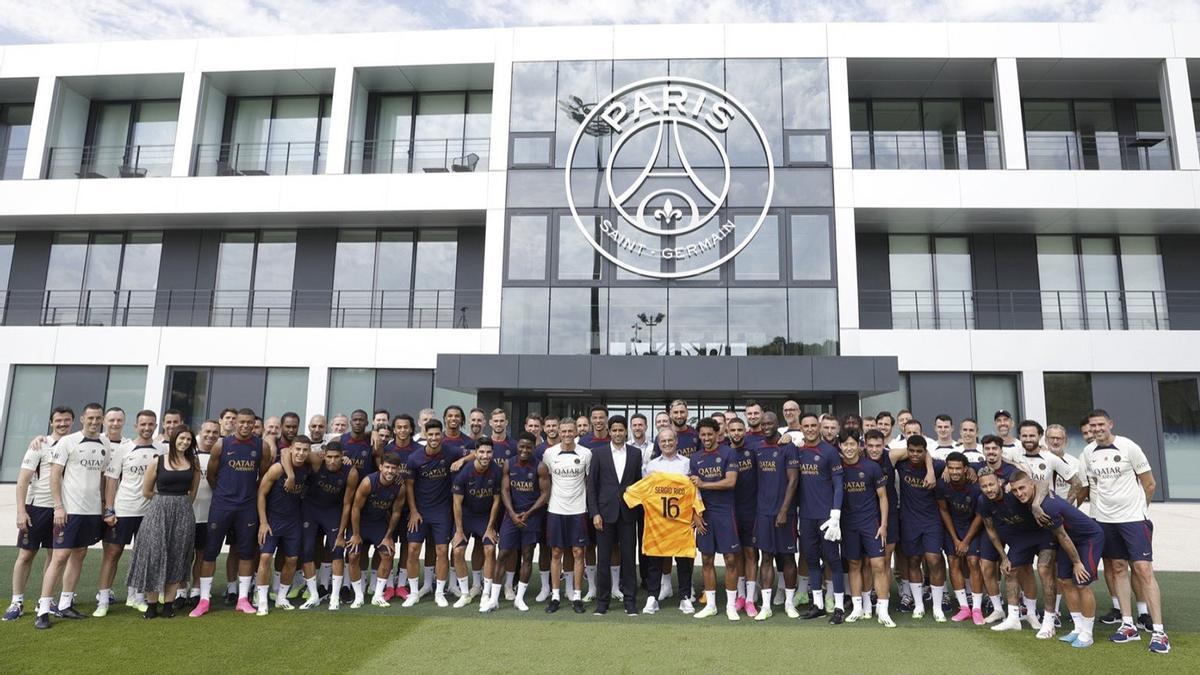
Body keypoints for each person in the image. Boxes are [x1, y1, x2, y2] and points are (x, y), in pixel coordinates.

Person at [1072, 409, 1168, 654]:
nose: (1097, 429)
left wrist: (1139, 512)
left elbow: (1150, 484)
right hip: (1104, 521)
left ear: (1110, 424)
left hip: (1134, 520)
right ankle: (1128, 625)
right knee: (1116, 569)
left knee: (1143, 570)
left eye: (1101, 424)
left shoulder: (1128, 447)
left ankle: (1159, 631)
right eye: (1092, 426)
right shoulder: (1087, 453)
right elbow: (1085, 487)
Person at [190, 408, 275, 618]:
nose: (245, 426)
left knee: (246, 552)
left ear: (254, 425)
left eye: (250, 423)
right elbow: (211, 475)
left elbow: (263, 477)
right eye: (242, 422)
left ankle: (243, 599)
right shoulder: (222, 444)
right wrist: (225, 492)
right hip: (222, 506)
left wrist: (247, 494)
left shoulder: (261, 446)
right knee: (210, 552)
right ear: (235, 423)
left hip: (247, 507)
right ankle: (204, 600)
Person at [35, 403, 113, 630]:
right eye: (90, 417)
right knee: (59, 557)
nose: (94, 421)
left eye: (98, 418)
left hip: (91, 512)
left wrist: (103, 507)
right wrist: (58, 506)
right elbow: (54, 475)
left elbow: (102, 478)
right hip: (69, 510)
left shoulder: (105, 443)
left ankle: (66, 603)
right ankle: (43, 609)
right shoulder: (68, 441)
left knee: (80, 553)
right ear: (82, 418)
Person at [1010, 472, 1104, 648]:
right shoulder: (1036, 493)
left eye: (1022, 488)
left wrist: (1077, 562)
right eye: (1015, 490)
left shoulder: (1048, 506)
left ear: (1031, 485)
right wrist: (1034, 504)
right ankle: (1077, 628)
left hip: (1088, 538)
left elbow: (1062, 535)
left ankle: (1088, 633)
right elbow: (1042, 481)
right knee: (1064, 581)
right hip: (1068, 540)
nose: (1019, 493)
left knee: (1082, 583)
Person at [6, 406, 74, 623]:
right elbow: (23, 480)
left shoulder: (74, 443)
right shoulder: (39, 445)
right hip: (37, 509)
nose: (63, 424)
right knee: (26, 555)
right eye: (58, 421)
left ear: (73, 422)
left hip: (62, 508)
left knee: (54, 556)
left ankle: (45, 601)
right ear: (51, 422)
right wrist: (21, 511)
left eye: (66, 420)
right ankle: (16, 601)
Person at [95, 409, 165, 617]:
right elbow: (111, 480)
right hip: (124, 509)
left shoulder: (162, 449)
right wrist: (109, 509)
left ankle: (137, 597)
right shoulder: (124, 449)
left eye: (150, 424)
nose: (146, 428)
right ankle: (104, 599)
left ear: (155, 426)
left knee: (144, 556)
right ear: (136, 426)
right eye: (142, 424)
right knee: (112, 554)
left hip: (150, 512)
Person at [126, 428, 200, 618]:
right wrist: (164, 502)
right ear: (174, 439)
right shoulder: (158, 461)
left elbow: (193, 491)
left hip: (183, 511)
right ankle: (151, 604)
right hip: (158, 510)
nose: (184, 442)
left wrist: (180, 505)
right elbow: (146, 491)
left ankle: (168, 604)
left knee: (178, 555)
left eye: (188, 439)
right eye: (181, 438)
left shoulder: (193, 462)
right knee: (154, 554)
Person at [622, 453, 704, 615]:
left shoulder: (686, 471)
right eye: (664, 441)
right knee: (654, 563)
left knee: (683, 563)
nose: (667, 443)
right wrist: (631, 489)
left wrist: (696, 513)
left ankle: (685, 596)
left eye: (670, 440)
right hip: (658, 527)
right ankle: (652, 596)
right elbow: (632, 492)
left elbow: (695, 494)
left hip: (680, 527)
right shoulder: (652, 471)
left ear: (675, 442)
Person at [977, 469, 1051, 633]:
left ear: (999, 482)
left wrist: (1036, 503)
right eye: (984, 486)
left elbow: (1043, 484)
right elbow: (991, 530)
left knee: (1045, 570)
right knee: (1011, 571)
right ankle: (1013, 618)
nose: (989, 489)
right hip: (1020, 538)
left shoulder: (1013, 491)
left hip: (1042, 532)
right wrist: (1003, 557)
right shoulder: (983, 501)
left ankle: (1036, 615)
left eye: (991, 484)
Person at [402, 420, 466, 607]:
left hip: (441, 512)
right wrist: (413, 511)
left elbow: (474, 454)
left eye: (437, 434)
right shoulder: (415, 458)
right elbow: (409, 486)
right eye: (430, 434)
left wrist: (462, 460)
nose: (434, 438)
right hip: (420, 512)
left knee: (442, 551)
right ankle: (414, 593)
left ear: (442, 435)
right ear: (425, 434)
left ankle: (439, 592)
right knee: (413, 550)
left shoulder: (451, 451)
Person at [586, 415, 641, 616]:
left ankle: (630, 602)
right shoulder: (598, 453)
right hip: (604, 514)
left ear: (626, 431)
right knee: (603, 560)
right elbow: (592, 486)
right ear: (609, 432)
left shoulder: (635, 454)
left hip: (628, 514)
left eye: (621, 430)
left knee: (628, 558)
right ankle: (602, 603)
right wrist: (595, 513)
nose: (618, 434)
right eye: (614, 430)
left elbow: (637, 484)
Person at [837, 431, 893, 627]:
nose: (849, 448)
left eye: (853, 444)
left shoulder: (872, 467)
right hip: (848, 525)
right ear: (841, 447)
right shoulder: (838, 469)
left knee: (878, 564)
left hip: (871, 524)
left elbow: (883, 497)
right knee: (854, 565)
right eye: (845, 445)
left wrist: (883, 525)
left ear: (859, 446)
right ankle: (857, 608)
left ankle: (883, 611)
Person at [794, 412, 846, 622]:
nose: (810, 429)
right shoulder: (797, 450)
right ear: (801, 427)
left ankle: (840, 608)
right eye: (806, 426)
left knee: (833, 560)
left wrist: (836, 514)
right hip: (806, 516)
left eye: (814, 425)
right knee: (812, 560)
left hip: (827, 517)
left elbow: (839, 485)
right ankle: (818, 605)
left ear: (820, 427)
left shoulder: (830, 452)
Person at [253, 436, 312, 615]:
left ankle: (281, 597)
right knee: (265, 558)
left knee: (292, 560)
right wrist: (263, 522)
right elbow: (261, 494)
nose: (301, 453)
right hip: (273, 520)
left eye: (305, 450)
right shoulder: (278, 468)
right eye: (298, 449)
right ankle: (262, 600)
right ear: (292, 449)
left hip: (293, 521)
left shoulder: (308, 468)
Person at [749, 413, 800, 621]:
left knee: (787, 557)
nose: (767, 426)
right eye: (763, 424)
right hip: (763, 512)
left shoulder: (788, 447)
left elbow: (793, 480)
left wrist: (784, 510)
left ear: (778, 424)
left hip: (784, 513)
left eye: (770, 423)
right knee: (766, 557)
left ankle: (789, 603)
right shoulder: (758, 448)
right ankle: (767, 606)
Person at [688, 418, 739, 621]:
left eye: (710, 434)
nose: (707, 438)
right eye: (703, 435)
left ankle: (731, 606)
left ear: (717, 434)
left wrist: (703, 484)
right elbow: (691, 490)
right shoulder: (696, 458)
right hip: (704, 515)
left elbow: (730, 481)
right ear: (699, 436)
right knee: (706, 559)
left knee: (730, 559)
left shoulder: (728, 453)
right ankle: (710, 605)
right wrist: (695, 514)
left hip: (725, 513)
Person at [297, 440, 357, 610]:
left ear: (342, 456)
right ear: (324, 456)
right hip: (310, 509)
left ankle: (335, 597)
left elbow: (347, 504)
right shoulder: (316, 461)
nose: (332, 461)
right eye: (329, 457)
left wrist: (341, 532)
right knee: (307, 550)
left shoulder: (350, 472)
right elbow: (288, 452)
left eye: (336, 457)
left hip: (333, 512)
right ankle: (314, 595)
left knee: (337, 550)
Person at [541, 417, 591, 614]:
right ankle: (555, 596)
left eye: (571, 431)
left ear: (576, 432)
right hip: (556, 509)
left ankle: (577, 596)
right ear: (559, 432)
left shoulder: (586, 454)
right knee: (556, 553)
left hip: (578, 510)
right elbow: (547, 481)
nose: (567, 435)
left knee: (579, 553)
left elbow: (588, 482)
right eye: (564, 431)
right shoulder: (549, 453)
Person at [497, 432, 549, 611]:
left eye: (529, 447)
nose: (525, 450)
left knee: (527, 555)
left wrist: (528, 513)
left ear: (534, 447)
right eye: (522, 446)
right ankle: (494, 598)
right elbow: (505, 490)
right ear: (517, 446)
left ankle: (519, 598)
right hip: (511, 517)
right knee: (503, 554)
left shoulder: (540, 466)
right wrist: (512, 513)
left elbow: (545, 494)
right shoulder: (508, 463)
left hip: (532, 517)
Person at [348, 453, 406, 608]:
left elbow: (396, 513)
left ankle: (378, 595)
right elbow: (355, 508)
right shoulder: (368, 482)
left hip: (379, 523)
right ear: (381, 467)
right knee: (353, 555)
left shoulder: (400, 487)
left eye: (393, 468)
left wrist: (388, 536)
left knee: (388, 553)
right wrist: (355, 534)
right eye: (387, 467)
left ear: (398, 470)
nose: (390, 471)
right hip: (361, 523)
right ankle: (358, 596)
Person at [451, 439, 502, 610]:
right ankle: (465, 593)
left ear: (492, 453)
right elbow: (457, 503)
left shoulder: (496, 471)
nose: (485, 456)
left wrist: (490, 528)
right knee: (457, 551)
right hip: (466, 516)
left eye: (488, 452)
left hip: (484, 517)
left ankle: (486, 592)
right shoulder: (464, 472)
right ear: (476, 453)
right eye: (481, 452)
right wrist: (459, 530)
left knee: (489, 548)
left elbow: (496, 501)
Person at [936, 451, 985, 625]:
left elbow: (980, 515)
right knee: (953, 562)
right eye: (951, 468)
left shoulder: (975, 485)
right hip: (953, 529)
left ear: (966, 469)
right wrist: (956, 539)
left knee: (973, 562)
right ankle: (964, 607)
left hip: (973, 527)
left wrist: (965, 541)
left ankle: (977, 608)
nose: (955, 472)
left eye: (958, 468)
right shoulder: (942, 484)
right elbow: (943, 510)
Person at [726, 416, 759, 615]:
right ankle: (739, 596)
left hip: (751, 509)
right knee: (735, 555)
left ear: (745, 431)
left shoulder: (753, 450)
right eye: (733, 430)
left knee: (750, 553)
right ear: (728, 432)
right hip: (730, 511)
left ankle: (750, 599)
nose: (737, 433)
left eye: (740, 429)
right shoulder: (724, 452)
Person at [186, 420, 220, 608]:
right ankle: (180, 591)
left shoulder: (221, 452)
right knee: (184, 554)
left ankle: (197, 591)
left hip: (210, 513)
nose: (211, 435)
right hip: (188, 511)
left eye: (215, 432)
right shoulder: (188, 451)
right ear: (200, 431)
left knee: (202, 553)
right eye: (207, 431)